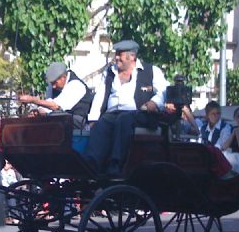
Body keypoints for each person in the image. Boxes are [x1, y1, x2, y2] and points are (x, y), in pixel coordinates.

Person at [83, 39, 168, 177]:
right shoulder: (110, 72)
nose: (116, 57)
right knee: (103, 123)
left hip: (140, 114)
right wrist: (93, 119)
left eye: (120, 54)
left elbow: (163, 92)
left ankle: (115, 164)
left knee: (124, 119)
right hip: (112, 114)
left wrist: (153, 103)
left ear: (132, 57)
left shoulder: (152, 71)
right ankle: (92, 164)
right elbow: (100, 95)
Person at [18, 62, 94, 129]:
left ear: (63, 77)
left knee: (55, 117)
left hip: (79, 121)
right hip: (60, 117)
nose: (53, 86)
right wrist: (38, 112)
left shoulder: (76, 85)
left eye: (55, 83)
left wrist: (34, 100)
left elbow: (56, 106)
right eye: (52, 83)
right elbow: (48, 103)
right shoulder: (53, 85)